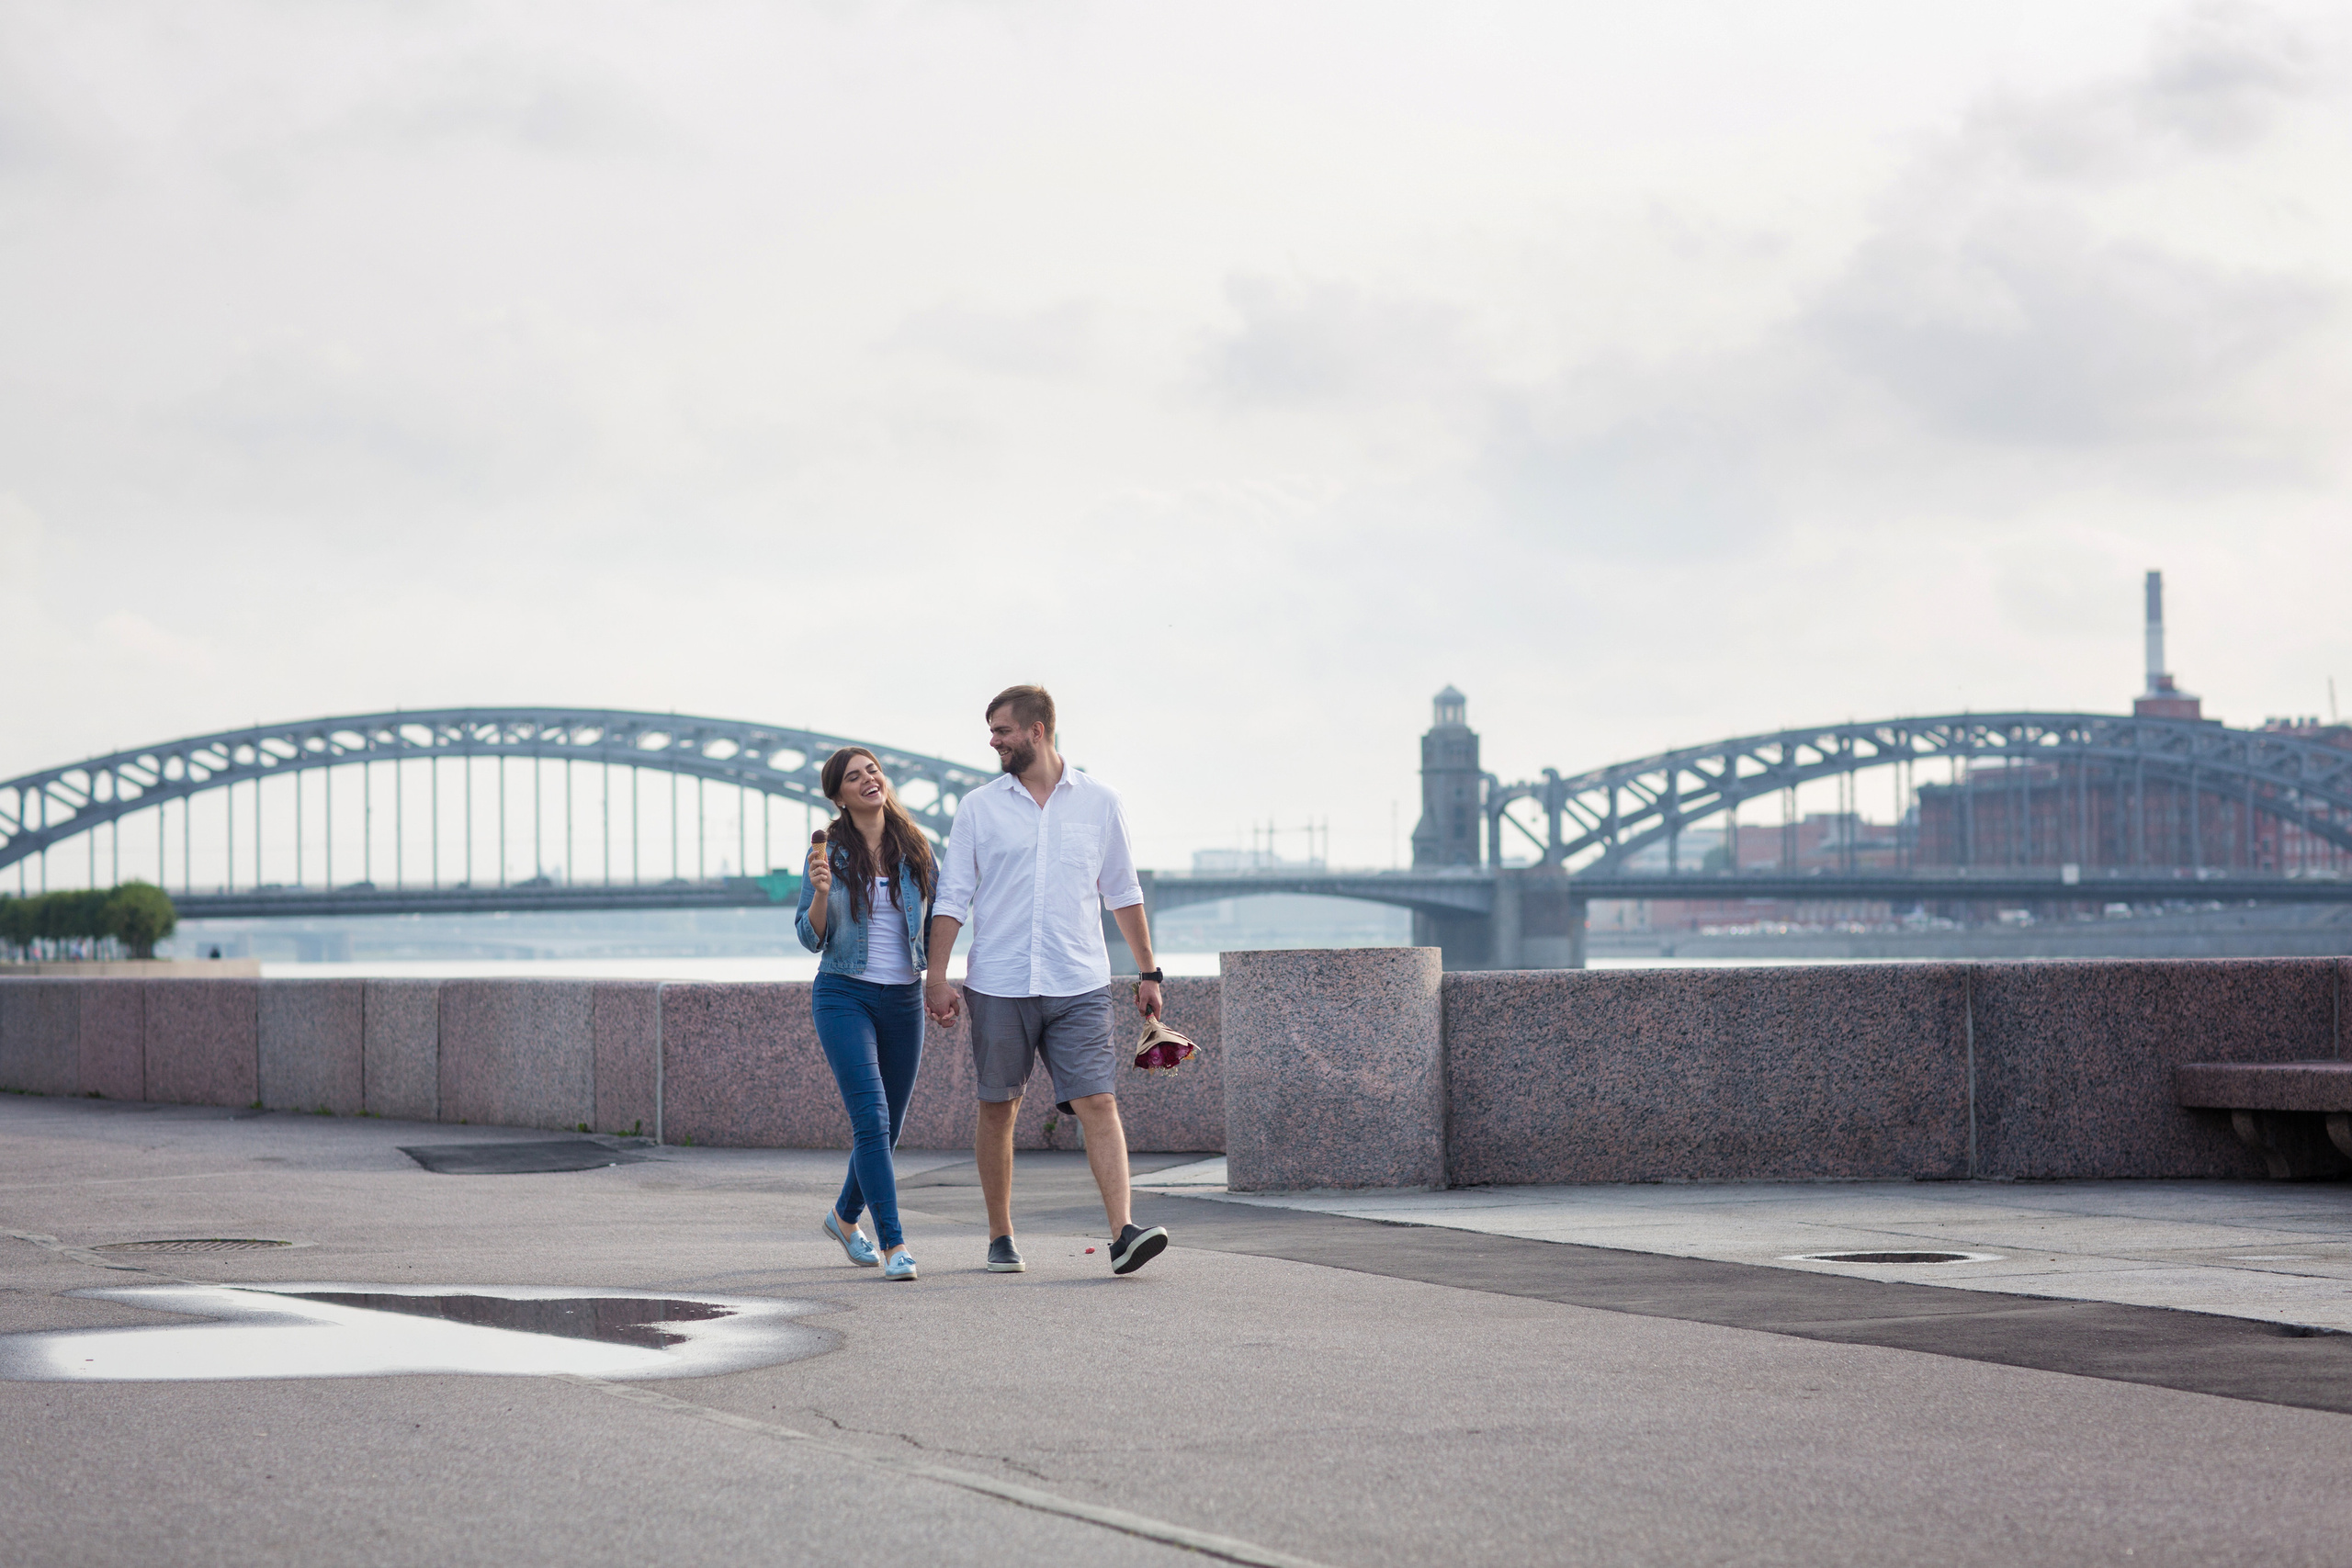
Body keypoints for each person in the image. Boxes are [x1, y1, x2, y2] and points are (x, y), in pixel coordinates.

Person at [925, 684, 1171, 1277]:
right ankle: (1000, 1236)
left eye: (1002, 730)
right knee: (998, 1107)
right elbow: (953, 895)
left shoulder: (1100, 801)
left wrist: (1147, 971)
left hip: (1078, 980)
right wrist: (936, 977)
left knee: (1098, 1099)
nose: (993, 741)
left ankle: (1124, 1234)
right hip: (1000, 982)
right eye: (991, 731)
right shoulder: (978, 807)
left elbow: (1123, 890)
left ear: (1037, 731)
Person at [797, 746, 935, 1282]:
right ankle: (895, 1244)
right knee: (871, 1121)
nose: (868, 780)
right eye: (854, 777)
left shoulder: (916, 846)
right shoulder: (830, 853)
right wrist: (821, 894)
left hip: (903, 998)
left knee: (887, 1129)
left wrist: (940, 981)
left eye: (872, 770)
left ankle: (842, 1217)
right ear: (838, 796)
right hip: (843, 995)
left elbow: (940, 916)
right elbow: (810, 938)